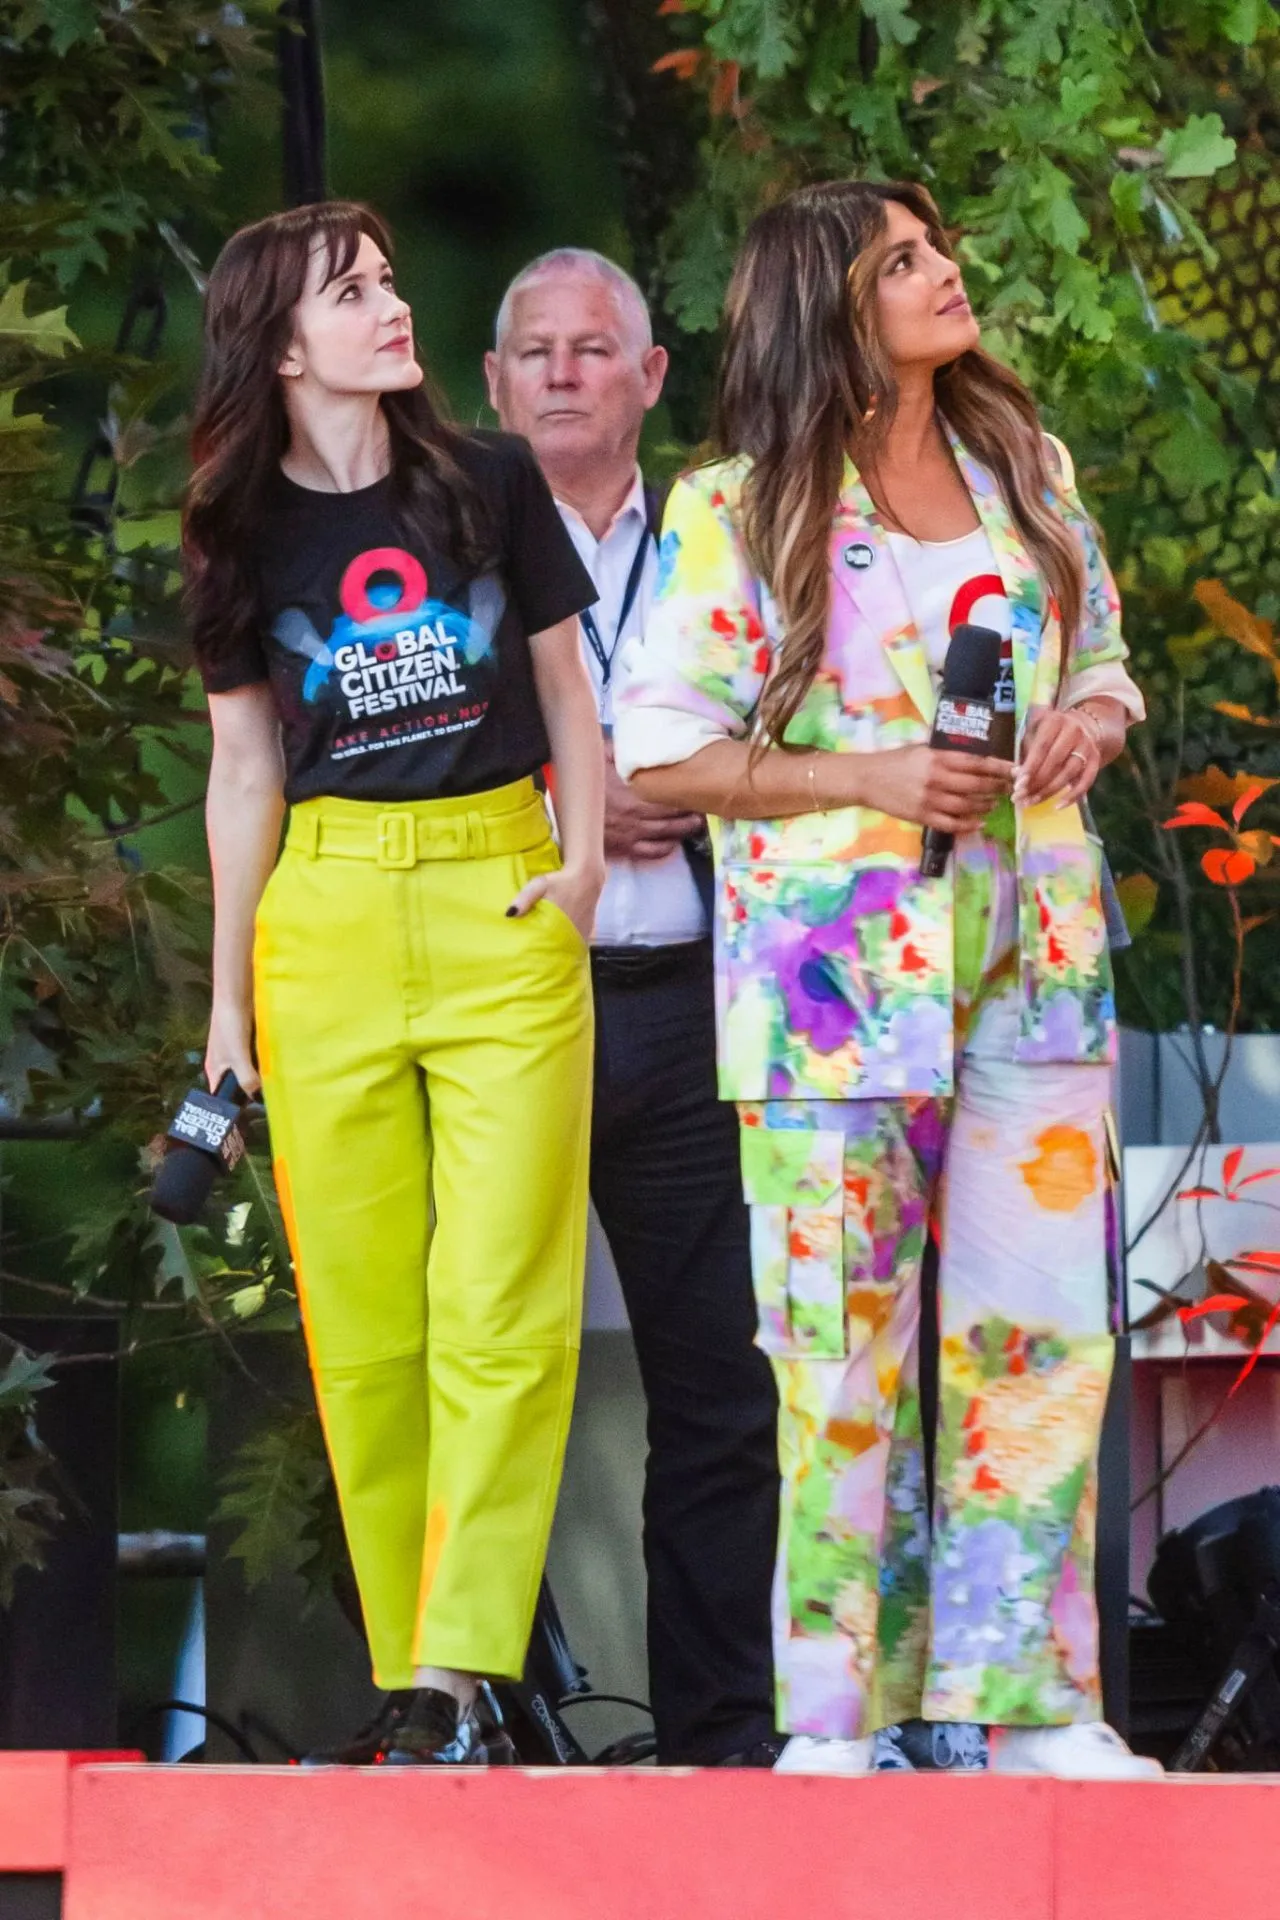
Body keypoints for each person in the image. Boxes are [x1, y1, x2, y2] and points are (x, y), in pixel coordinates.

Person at [614, 179, 1161, 1780]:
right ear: (830, 309)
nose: (946, 274)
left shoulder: (1024, 470)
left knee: (1043, 1335)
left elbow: (1109, 662)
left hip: (1034, 958)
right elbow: (664, 751)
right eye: (903, 262)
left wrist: (1091, 725)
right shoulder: (737, 504)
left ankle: (1030, 1708)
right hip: (834, 983)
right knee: (840, 1353)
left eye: (939, 251)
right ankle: (839, 1718)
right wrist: (869, 773)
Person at [184, 201, 603, 1765]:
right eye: (352, 294)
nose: (391, 306)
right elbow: (242, 775)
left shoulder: (485, 480)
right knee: (364, 1325)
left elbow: (567, 677)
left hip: (501, 892)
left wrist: (577, 862)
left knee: (501, 1305)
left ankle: (467, 1656)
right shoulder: (234, 530)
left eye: (388, 281)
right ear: (282, 345)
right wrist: (228, 1007)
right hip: (329, 917)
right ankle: (421, 1671)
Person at [485, 249, 781, 1766]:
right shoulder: (446, 543)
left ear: (651, 377)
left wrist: (704, 798)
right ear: (489, 385)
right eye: (531, 351)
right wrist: (585, 784)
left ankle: (724, 1745)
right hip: (505, 1002)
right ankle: (493, 1722)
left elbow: (813, 732)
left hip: (690, 1000)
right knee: (484, 1373)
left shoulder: (730, 540)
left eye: (592, 348)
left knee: (721, 1386)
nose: (559, 373)